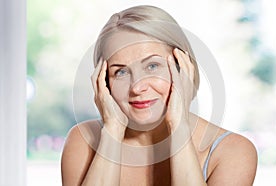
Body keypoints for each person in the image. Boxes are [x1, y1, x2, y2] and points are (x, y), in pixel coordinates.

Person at [61, 5, 257, 185]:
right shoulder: (83, 141)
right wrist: (112, 132)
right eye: (120, 72)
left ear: (183, 68)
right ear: (104, 83)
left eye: (152, 66)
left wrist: (179, 128)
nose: (137, 88)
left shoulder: (233, 152)